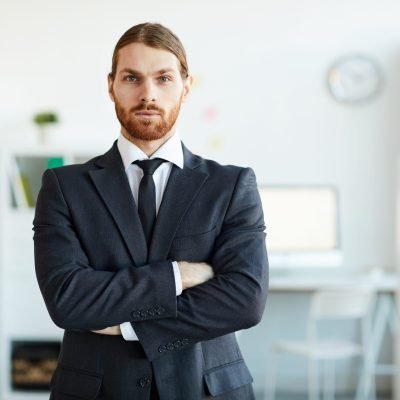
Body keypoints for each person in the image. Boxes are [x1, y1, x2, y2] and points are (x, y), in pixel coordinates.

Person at [33, 22, 268, 400]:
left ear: (186, 87)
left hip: (206, 388)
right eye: (132, 78)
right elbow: (67, 299)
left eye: (163, 78)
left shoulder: (232, 185)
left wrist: (127, 325)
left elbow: (245, 300)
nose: (148, 94)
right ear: (111, 85)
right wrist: (179, 275)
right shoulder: (63, 187)